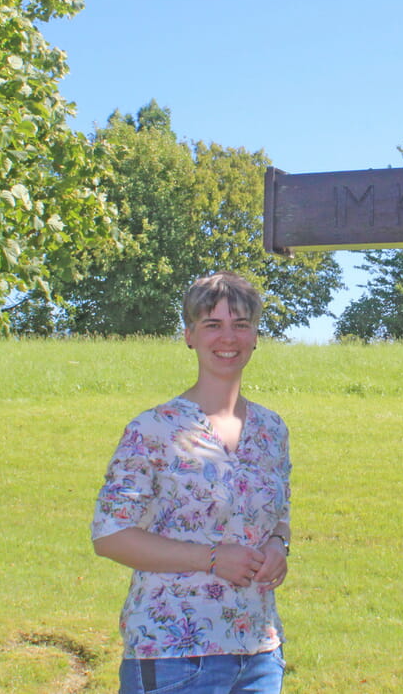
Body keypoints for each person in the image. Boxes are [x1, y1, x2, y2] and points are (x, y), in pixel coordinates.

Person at [91, 272, 292, 694]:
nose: (229, 337)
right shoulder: (153, 429)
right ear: (189, 335)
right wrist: (212, 558)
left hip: (258, 653)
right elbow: (110, 536)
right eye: (212, 324)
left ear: (256, 336)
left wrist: (278, 546)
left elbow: (278, 519)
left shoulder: (272, 429)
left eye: (241, 325)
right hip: (173, 658)